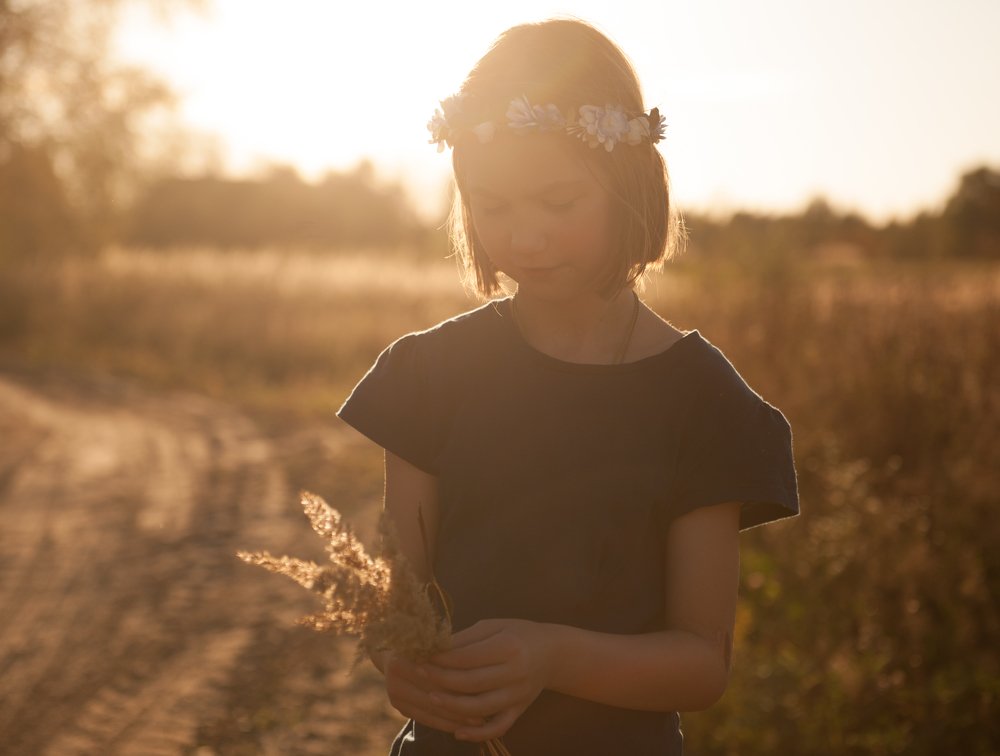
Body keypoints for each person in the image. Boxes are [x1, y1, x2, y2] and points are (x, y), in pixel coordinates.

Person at [337, 17, 799, 756]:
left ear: (629, 186)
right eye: (492, 206)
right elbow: (400, 608)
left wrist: (552, 657)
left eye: (558, 203)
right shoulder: (428, 376)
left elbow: (701, 664)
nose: (525, 237)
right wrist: (399, 663)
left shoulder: (706, 405)